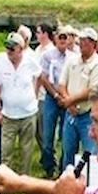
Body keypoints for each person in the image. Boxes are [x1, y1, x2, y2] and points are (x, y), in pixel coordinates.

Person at [56, 28, 98, 167]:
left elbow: (93, 91)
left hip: (88, 116)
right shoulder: (72, 61)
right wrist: (69, 103)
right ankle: (66, 183)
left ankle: (89, 184)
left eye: (86, 40)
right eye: (82, 40)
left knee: (90, 156)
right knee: (68, 152)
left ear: (94, 44)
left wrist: (69, 101)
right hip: (71, 113)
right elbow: (61, 84)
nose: (82, 43)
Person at [0, 32, 42, 173]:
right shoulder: (0, 60)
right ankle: (5, 180)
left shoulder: (30, 61)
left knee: (26, 150)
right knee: (6, 150)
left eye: (12, 48)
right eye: (7, 48)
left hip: (28, 113)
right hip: (8, 115)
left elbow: (39, 75)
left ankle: (24, 180)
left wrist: (35, 94)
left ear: (21, 49)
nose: (8, 51)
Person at [38, 26, 76, 178]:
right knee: (47, 137)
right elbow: (44, 78)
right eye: (60, 37)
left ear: (69, 40)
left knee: (66, 138)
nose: (62, 40)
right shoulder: (47, 55)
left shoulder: (73, 57)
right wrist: (55, 95)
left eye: (65, 37)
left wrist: (66, 98)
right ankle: (49, 167)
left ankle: (62, 169)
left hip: (67, 99)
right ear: (55, 38)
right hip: (51, 98)